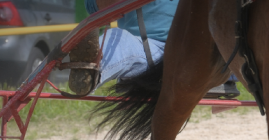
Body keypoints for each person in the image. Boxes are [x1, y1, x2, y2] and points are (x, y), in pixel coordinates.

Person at [68, 0, 239, 98]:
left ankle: (233, 77)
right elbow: (96, 7)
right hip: (144, 48)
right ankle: (89, 71)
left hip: (190, 52)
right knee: (117, 38)